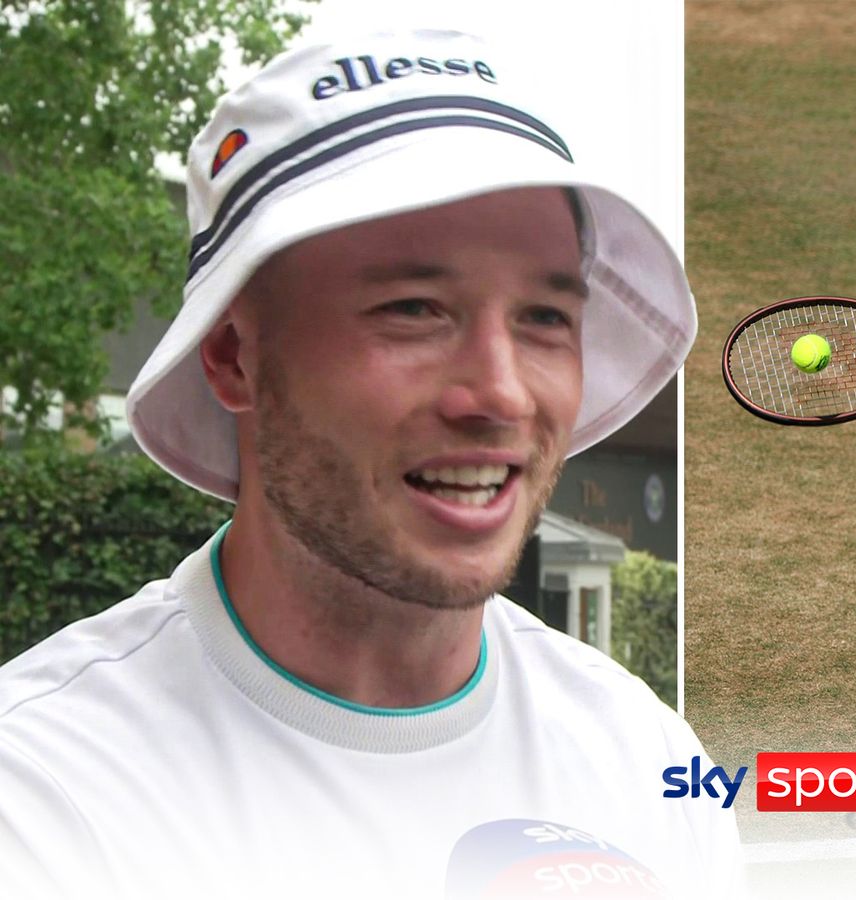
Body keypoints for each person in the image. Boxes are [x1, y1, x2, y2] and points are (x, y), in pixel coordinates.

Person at [0, 28, 738, 899]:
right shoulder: (48, 793)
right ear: (235, 355)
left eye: (545, 317)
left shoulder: (650, 760)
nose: (501, 395)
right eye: (415, 308)